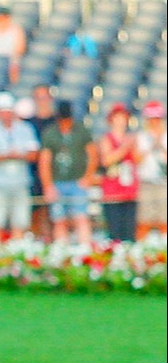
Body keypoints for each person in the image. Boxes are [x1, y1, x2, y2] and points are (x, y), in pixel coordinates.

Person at [35, 93, 95, 248]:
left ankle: (84, 250)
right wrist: (48, 185)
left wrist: (87, 177)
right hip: (57, 182)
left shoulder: (81, 131)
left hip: (77, 182)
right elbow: (44, 161)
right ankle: (62, 250)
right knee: (59, 220)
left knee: (80, 217)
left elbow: (92, 155)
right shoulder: (50, 133)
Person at [0, 92, 38, 238]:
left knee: (20, 223)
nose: (6, 115)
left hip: (20, 182)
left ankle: (16, 254)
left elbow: (34, 154)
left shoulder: (25, 129)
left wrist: (17, 155)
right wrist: (7, 156)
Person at [94, 103, 141, 243]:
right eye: (117, 117)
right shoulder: (106, 139)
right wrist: (125, 147)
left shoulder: (132, 138)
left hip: (129, 190)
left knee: (129, 231)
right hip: (112, 192)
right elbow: (107, 160)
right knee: (114, 231)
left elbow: (138, 159)